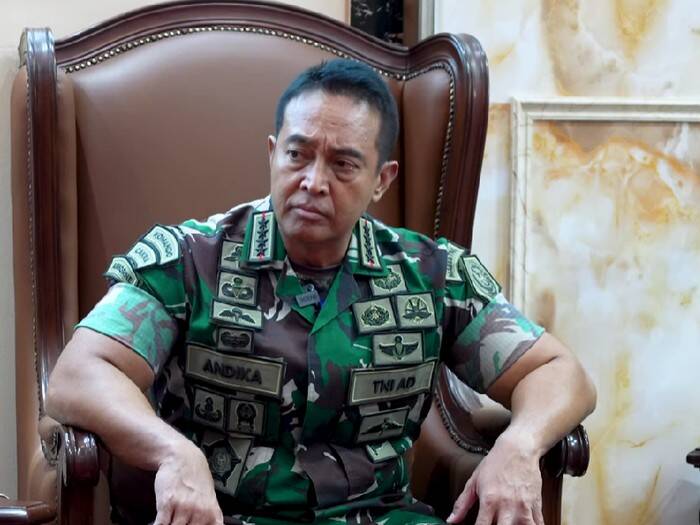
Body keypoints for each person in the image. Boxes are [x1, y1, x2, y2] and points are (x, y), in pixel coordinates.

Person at [46, 59, 596, 525]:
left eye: (343, 164)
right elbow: (78, 374)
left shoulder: (431, 275)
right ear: (272, 152)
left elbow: (557, 371)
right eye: (297, 154)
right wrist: (172, 452)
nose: (312, 181)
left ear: (382, 180)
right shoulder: (190, 260)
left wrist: (520, 444)